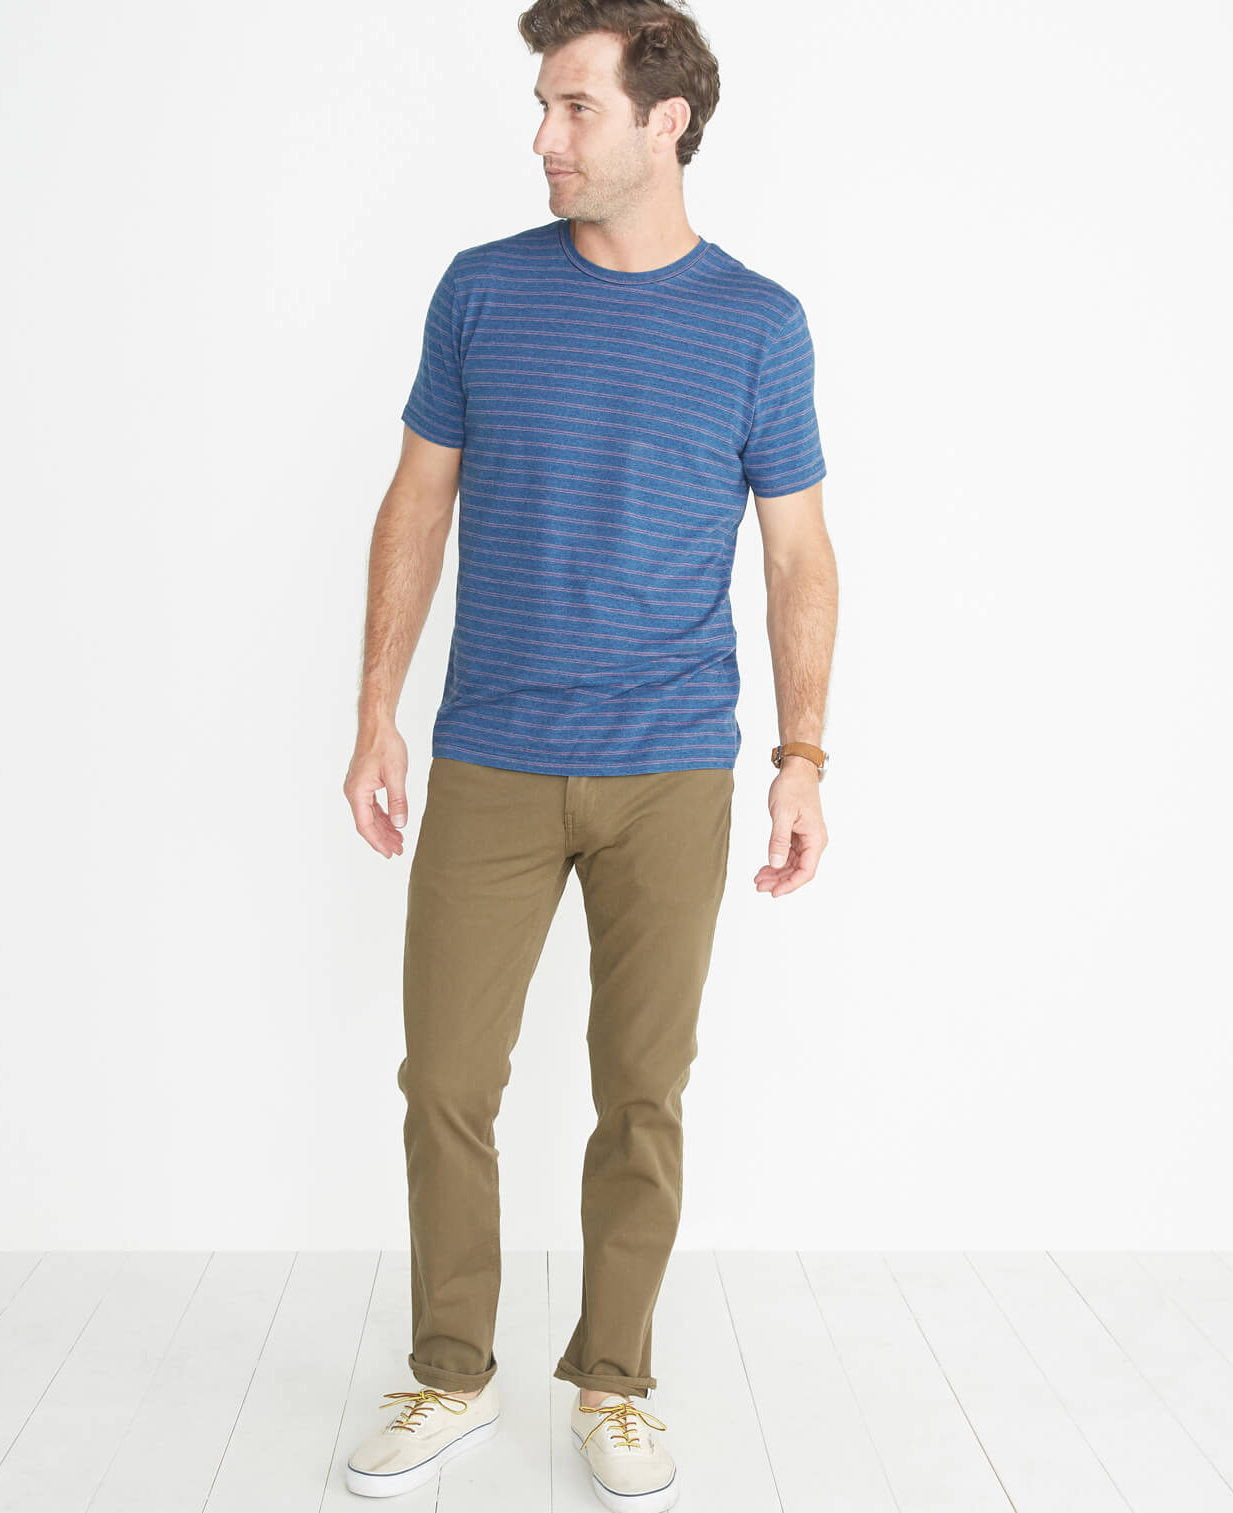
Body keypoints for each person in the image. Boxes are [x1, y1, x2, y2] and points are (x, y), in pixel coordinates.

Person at [340, 1, 837, 1504]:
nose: (545, 137)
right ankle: (449, 1373)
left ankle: (614, 1384)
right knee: (445, 1079)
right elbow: (417, 500)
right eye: (545, 107)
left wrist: (802, 754)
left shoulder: (759, 323)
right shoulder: (483, 291)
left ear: (664, 122)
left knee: (642, 1091)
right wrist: (374, 708)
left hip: (672, 766)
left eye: (575, 109)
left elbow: (799, 553)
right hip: (492, 754)